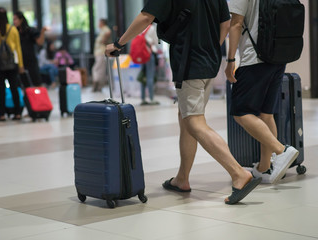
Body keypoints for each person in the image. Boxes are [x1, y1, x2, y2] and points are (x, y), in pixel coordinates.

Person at [106, 0, 262, 205]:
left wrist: (118, 43)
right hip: (209, 62)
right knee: (186, 117)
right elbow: (225, 23)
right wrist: (210, 50)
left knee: (194, 122)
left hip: (190, 64)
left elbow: (146, 17)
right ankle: (182, 178)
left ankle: (238, 174)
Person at [225, 0, 299, 184]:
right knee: (266, 114)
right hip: (278, 56)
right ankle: (265, 168)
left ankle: (281, 150)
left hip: (254, 58)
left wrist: (230, 60)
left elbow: (235, 23)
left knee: (241, 113)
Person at [0, 7, 24, 121]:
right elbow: (18, 48)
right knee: (14, 88)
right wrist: (20, 65)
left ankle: (1, 114)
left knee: (0, 90)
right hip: (12, 64)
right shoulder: (12, 29)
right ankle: (17, 113)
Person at [13, 11, 47, 87]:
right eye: (13, 20)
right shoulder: (13, 32)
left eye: (15, 19)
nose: (14, 21)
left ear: (21, 19)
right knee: (23, 84)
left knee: (36, 82)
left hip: (31, 61)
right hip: (19, 62)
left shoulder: (30, 30)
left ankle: (36, 98)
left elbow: (40, 42)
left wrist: (42, 32)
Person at [139, 23, 160, 106]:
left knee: (143, 75)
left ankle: (143, 98)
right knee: (150, 76)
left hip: (142, 54)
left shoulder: (141, 27)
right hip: (149, 54)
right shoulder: (152, 28)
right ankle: (151, 98)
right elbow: (155, 41)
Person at [92, 19, 111, 92]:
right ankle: (98, 85)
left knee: (97, 69)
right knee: (99, 69)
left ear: (102, 23)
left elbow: (108, 34)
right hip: (98, 52)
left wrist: (104, 40)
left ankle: (97, 83)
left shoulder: (106, 30)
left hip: (101, 52)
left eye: (99, 22)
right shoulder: (101, 30)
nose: (98, 24)